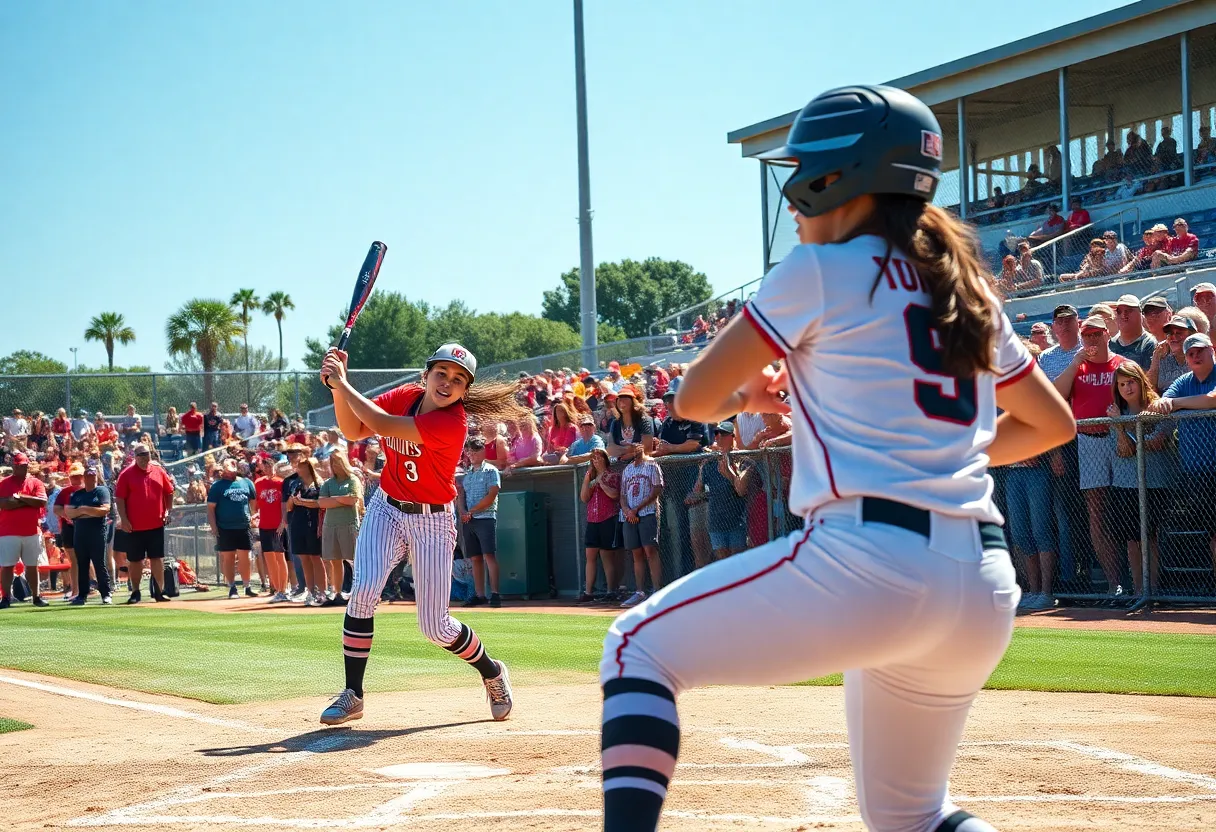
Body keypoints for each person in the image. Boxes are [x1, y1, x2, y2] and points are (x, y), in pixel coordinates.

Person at [595, 85, 1075, 832]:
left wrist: (752, 398)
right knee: (912, 815)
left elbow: (692, 398)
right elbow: (1051, 423)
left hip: (871, 561)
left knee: (633, 646)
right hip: (982, 580)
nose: (793, 197)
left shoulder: (819, 270)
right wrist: (947, 455)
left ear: (836, 178)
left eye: (803, 174)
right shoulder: (967, 284)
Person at [317, 342, 529, 725]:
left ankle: (492, 671)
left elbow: (380, 426)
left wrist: (343, 382)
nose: (447, 383)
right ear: (426, 374)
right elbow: (353, 429)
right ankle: (354, 694)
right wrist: (336, 389)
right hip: (387, 506)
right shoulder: (406, 396)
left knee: (435, 626)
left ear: (465, 391)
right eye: (442, 374)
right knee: (363, 590)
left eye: (458, 379)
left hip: (432, 520)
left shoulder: (453, 423)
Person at [1107, 362, 1175, 598]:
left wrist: (1123, 427)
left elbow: (1156, 442)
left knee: (1151, 538)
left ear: (1140, 381)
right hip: (1125, 485)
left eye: (1131, 381)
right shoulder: (1117, 413)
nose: (1127, 387)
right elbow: (1124, 451)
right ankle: (1138, 591)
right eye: (1122, 384)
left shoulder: (1157, 407)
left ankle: (1152, 591)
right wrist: (1121, 428)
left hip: (1155, 483)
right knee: (1132, 540)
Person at [114, 443, 175, 604]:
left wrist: (168, 511)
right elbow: (119, 498)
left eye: (146, 454)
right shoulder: (126, 474)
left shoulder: (159, 471)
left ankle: (159, 591)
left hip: (156, 523)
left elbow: (169, 492)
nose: (143, 457)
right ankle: (135, 591)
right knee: (135, 560)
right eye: (140, 455)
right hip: (134, 526)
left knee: (157, 558)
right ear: (135, 456)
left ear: (150, 455)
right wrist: (124, 520)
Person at [0, 452, 50, 608]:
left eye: (24, 465)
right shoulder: (4, 483)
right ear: (14, 466)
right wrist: (28, 501)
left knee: (32, 565)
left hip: (31, 531)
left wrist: (19, 498)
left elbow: (42, 501)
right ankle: (6, 597)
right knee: (7, 565)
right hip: (8, 531)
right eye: (19, 465)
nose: (21, 468)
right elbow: (4, 504)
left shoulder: (35, 482)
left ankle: (36, 596)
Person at [458, 437, 502, 608]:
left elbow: (491, 496)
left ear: (483, 451)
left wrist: (471, 511)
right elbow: (461, 495)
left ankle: (495, 593)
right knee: (475, 557)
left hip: (485, 518)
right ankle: (480, 594)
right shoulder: (467, 474)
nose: (472, 454)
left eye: (476, 450)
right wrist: (463, 511)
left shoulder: (491, 471)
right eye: (470, 451)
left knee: (489, 555)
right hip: (470, 519)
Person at [208, 458, 258, 599]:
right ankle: (232, 587)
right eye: (228, 470)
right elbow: (211, 508)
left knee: (245, 557)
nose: (230, 473)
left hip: (243, 526)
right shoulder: (217, 486)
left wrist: (253, 515)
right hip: (225, 527)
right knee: (228, 557)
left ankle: (247, 586)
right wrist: (214, 526)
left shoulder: (246, 482)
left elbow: (253, 500)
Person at [319, 451, 363, 607]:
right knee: (335, 560)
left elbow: (352, 500)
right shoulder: (328, 483)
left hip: (349, 523)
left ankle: (359, 592)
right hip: (330, 525)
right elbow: (322, 503)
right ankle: (337, 592)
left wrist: (333, 500)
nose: (335, 466)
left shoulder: (353, 480)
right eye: (333, 463)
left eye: (338, 462)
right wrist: (340, 500)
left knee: (354, 560)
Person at [65, 464, 113, 605]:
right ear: (84, 478)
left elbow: (104, 509)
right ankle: (82, 595)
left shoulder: (102, 491)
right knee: (82, 564)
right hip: (80, 533)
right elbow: (69, 513)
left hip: (97, 532)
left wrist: (83, 509)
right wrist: (90, 511)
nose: (91, 478)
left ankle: (106, 593)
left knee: (99, 563)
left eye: (93, 476)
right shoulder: (78, 494)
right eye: (88, 476)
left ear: (96, 477)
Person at [579, 447, 622, 603]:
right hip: (593, 519)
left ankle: (611, 590)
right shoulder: (591, 477)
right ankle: (588, 592)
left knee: (607, 557)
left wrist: (601, 482)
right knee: (589, 556)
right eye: (593, 458)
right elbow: (584, 498)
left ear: (605, 459)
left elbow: (614, 495)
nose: (596, 461)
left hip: (608, 518)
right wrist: (587, 480)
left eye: (598, 458)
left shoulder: (613, 475)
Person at [285, 454, 325, 605]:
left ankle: (322, 592)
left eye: (301, 466)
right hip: (298, 524)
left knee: (316, 558)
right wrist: (293, 500)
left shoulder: (320, 485)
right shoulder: (296, 485)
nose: (298, 469)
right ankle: (310, 592)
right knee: (304, 558)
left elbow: (319, 503)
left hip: (314, 525)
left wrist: (303, 502)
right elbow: (289, 507)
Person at [254, 459, 290, 602]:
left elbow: (285, 504)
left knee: (280, 556)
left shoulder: (280, 483)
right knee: (269, 557)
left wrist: (283, 521)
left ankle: (283, 588)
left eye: (270, 465)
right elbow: (257, 503)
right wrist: (255, 514)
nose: (267, 468)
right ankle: (275, 587)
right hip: (264, 524)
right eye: (265, 466)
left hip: (278, 524)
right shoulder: (259, 483)